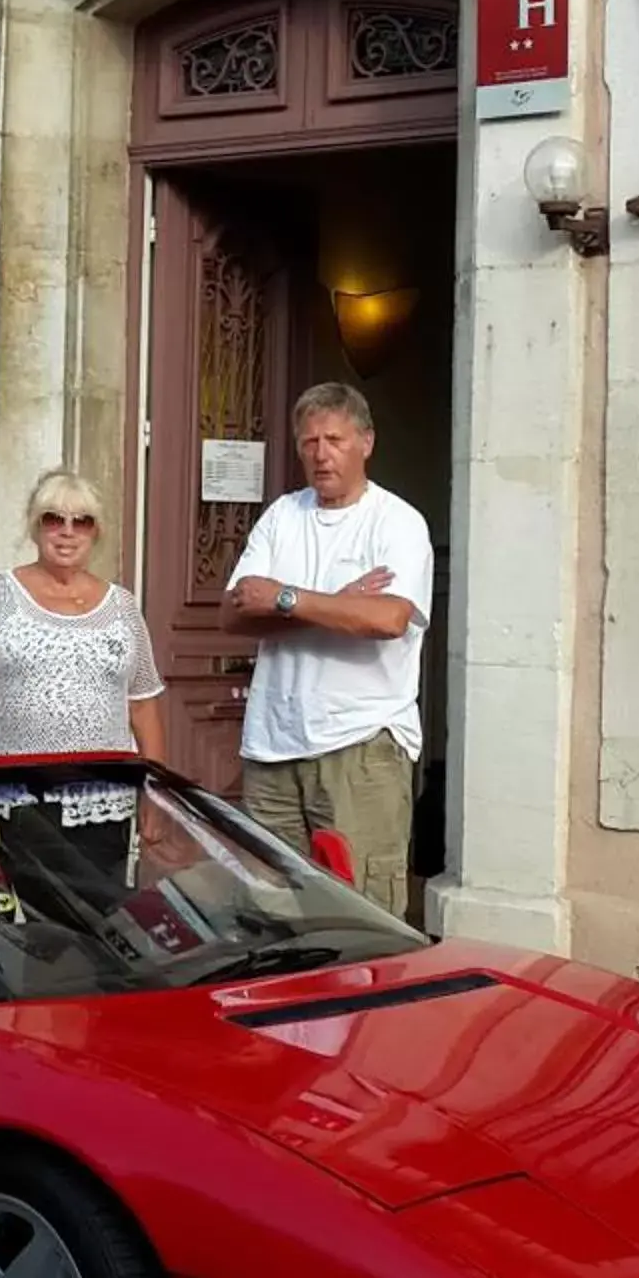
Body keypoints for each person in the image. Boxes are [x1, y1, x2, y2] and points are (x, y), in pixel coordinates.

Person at [0, 470, 166, 876]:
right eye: (53, 519)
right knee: (27, 925)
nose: (67, 532)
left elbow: (143, 710)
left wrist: (154, 798)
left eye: (82, 521)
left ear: (96, 532)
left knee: (98, 923)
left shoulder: (123, 608)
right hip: (21, 801)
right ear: (35, 527)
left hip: (104, 803)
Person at [224, 382, 433, 913]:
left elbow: (387, 618)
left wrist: (287, 598)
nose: (320, 454)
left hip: (359, 743)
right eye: (309, 442)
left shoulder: (397, 523)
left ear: (366, 441)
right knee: (274, 907)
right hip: (273, 744)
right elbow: (233, 613)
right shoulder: (281, 517)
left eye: (334, 439)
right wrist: (333, 606)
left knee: (362, 907)